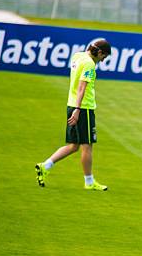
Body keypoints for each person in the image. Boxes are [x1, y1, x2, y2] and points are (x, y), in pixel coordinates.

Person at [35, 38, 111, 191]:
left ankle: (45, 165)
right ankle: (89, 182)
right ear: (100, 52)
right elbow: (82, 87)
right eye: (104, 56)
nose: (103, 60)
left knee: (73, 146)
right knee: (87, 146)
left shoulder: (78, 56)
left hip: (71, 104)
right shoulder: (90, 64)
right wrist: (78, 109)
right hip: (83, 108)